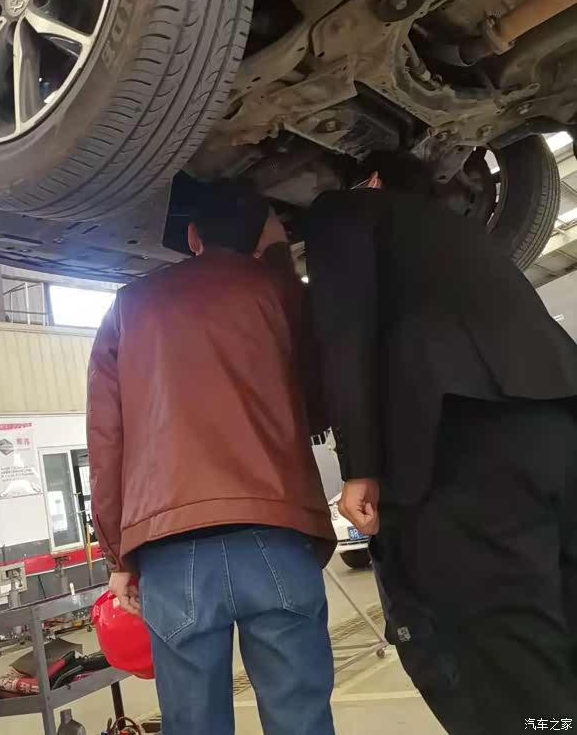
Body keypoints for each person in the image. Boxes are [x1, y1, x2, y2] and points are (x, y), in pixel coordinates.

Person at [304, 152, 577, 735]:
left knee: (507, 646)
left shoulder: (344, 211)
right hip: (558, 417)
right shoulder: (463, 232)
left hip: (462, 433)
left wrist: (359, 465)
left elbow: (345, 335)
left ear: (372, 180)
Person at [87, 183, 336, 735]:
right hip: (277, 533)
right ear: (260, 238)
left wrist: (118, 557)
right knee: (301, 719)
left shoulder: (129, 305)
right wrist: (278, 258)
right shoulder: (282, 293)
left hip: (172, 553)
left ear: (193, 236)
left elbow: (106, 441)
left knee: (194, 724)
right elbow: (321, 398)